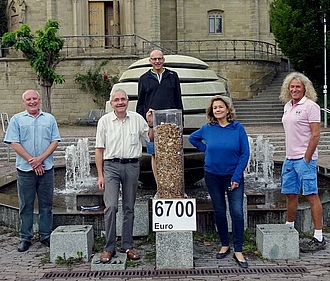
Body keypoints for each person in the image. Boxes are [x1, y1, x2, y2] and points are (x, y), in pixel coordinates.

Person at [189, 95, 250, 268]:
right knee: (219, 210)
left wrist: (237, 177)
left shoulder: (237, 128)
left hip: (233, 176)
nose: (218, 110)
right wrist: (206, 149)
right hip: (212, 175)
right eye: (215, 108)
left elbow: (245, 153)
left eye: (221, 107)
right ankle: (225, 244)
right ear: (212, 111)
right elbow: (193, 138)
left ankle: (238, 249)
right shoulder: (208, 128)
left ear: (227, 109)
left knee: (237, 211)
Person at [95, 89, 154, 263]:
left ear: (127, 101)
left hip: (132, 166)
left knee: (129, 207)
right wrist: (100, 175)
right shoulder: (104, 121)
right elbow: (99, 150)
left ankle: (127, 245)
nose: (120, 102)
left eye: (123, 99)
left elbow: (150, 139)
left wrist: (151, 124)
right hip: (111, 166)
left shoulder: (137, 119)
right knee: (111, 206)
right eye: (116, 100)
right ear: (111, 103)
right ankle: (109, 247)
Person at [4, 90, 61, 252]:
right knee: (26, 205)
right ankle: (25, 237)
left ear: (39, 100)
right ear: (24, 102)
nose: (32, 101)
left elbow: (55, 141)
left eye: (34, 98)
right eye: (28, 99)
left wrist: (40, 159)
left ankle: (45, 235)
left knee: (46, 204)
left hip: (46, 169)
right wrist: (33, 161)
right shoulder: (17, 120)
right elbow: (14, 143)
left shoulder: (49, 119)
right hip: (25, 170)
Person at [280, 72, 326, 253]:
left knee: (311, 194)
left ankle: (319, 236)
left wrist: (307, 158)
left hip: (304, 158)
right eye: (291, 87)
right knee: (290, 194)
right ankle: (289, 228)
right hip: (289, 158)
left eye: (297, 86)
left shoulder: (311, 106)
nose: (294, 89)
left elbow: (315, 134)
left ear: (305, 87)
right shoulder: (287, 106)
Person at [136, 49, 183, 187]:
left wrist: (181, 122)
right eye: (154, 59)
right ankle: (160, 185)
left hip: (171, 122)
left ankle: (172, 184)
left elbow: (178, 100)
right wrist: (144, 123)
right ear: (150, 61)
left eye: (159, 59)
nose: (157, 61)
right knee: (154, 153)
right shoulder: (144, 78)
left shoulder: (172, 76)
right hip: (152, 123)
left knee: (172, 153)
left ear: (163, 60)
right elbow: (141, 103)